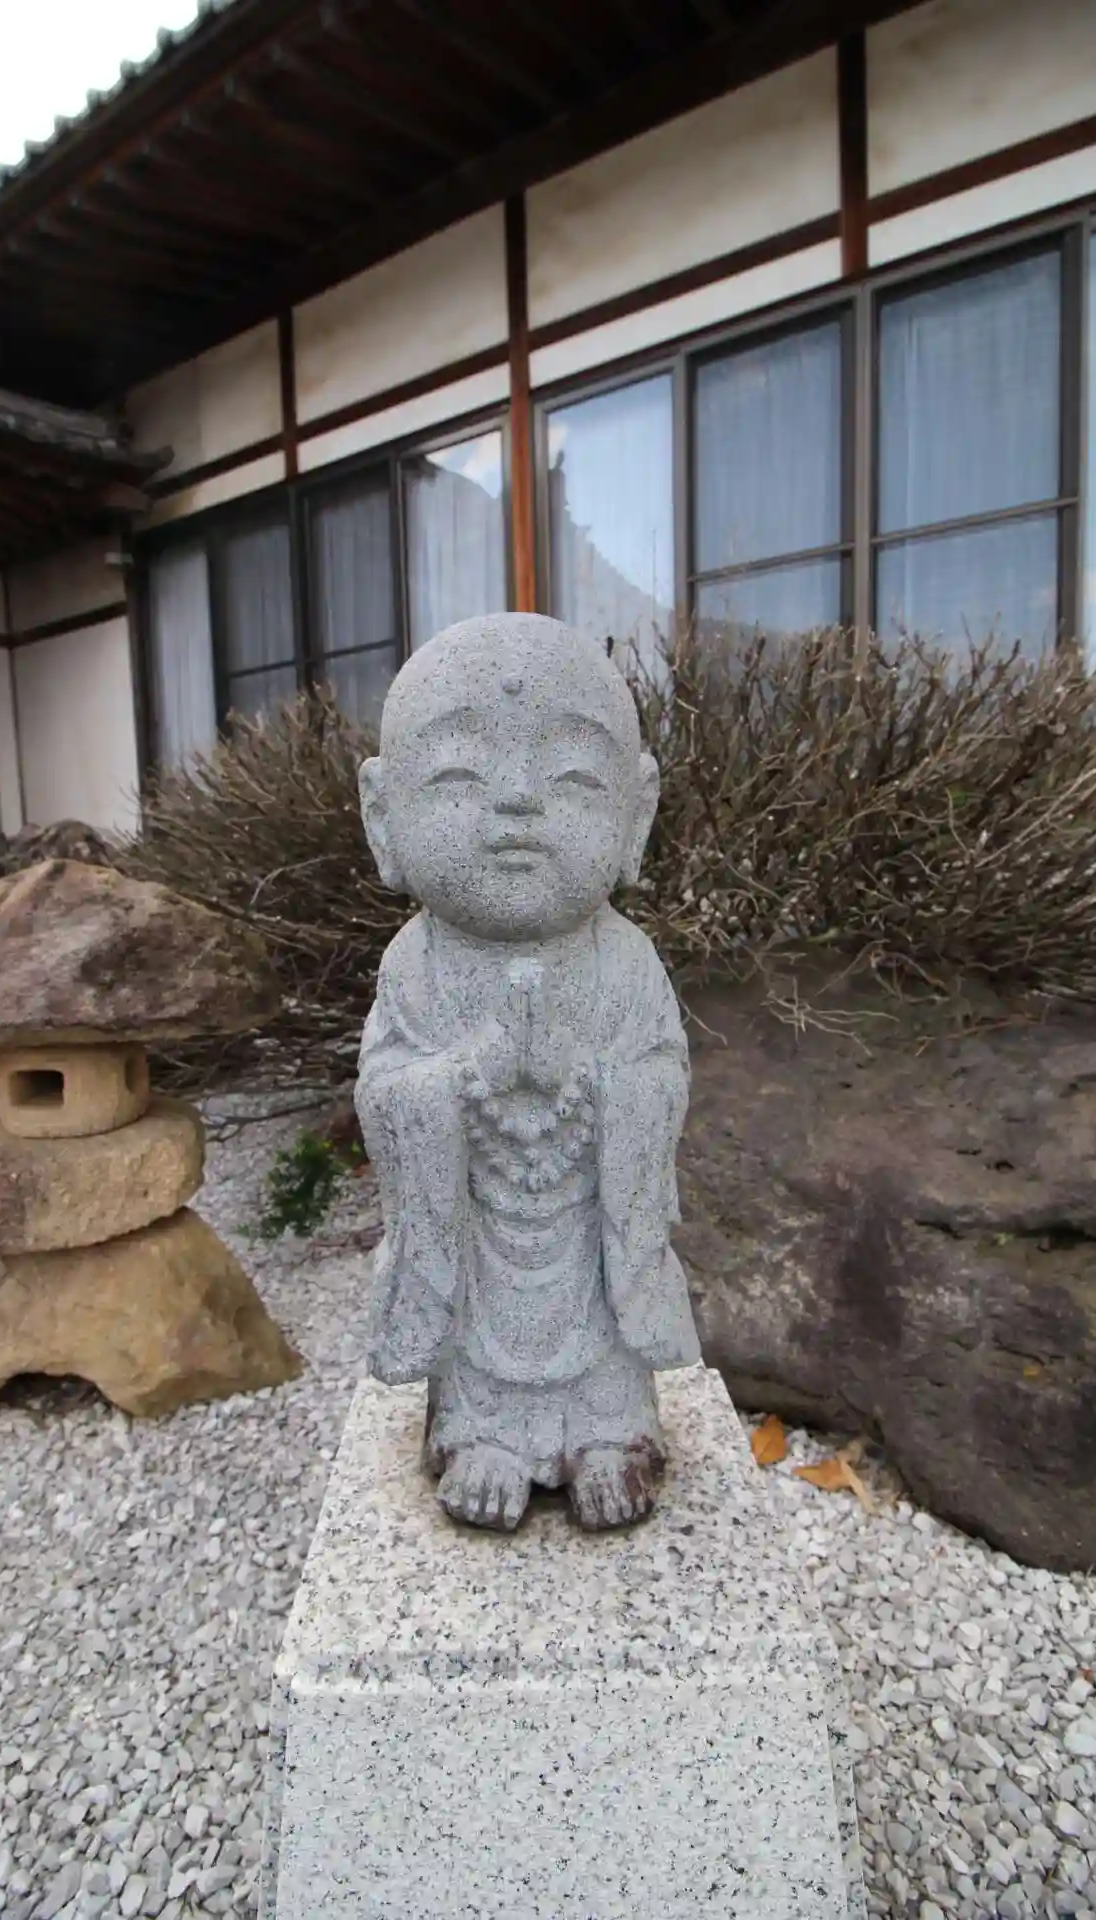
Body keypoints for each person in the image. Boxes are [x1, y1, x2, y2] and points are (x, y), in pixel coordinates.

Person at [355, 613, 699, 1531]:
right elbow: (385, 1096)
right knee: (473, 1308)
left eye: (573, 778)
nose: (516, 802)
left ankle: (611, 1430)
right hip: (477, 1242)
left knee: (603, 1315)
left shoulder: (625, 964)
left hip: (586, 1231)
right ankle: (479, 1433)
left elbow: (662, 1083)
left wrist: (588, 1079)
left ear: (636, 814)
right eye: (460, 775)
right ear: (382, 815)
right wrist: (467, 1076)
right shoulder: (414, 967)